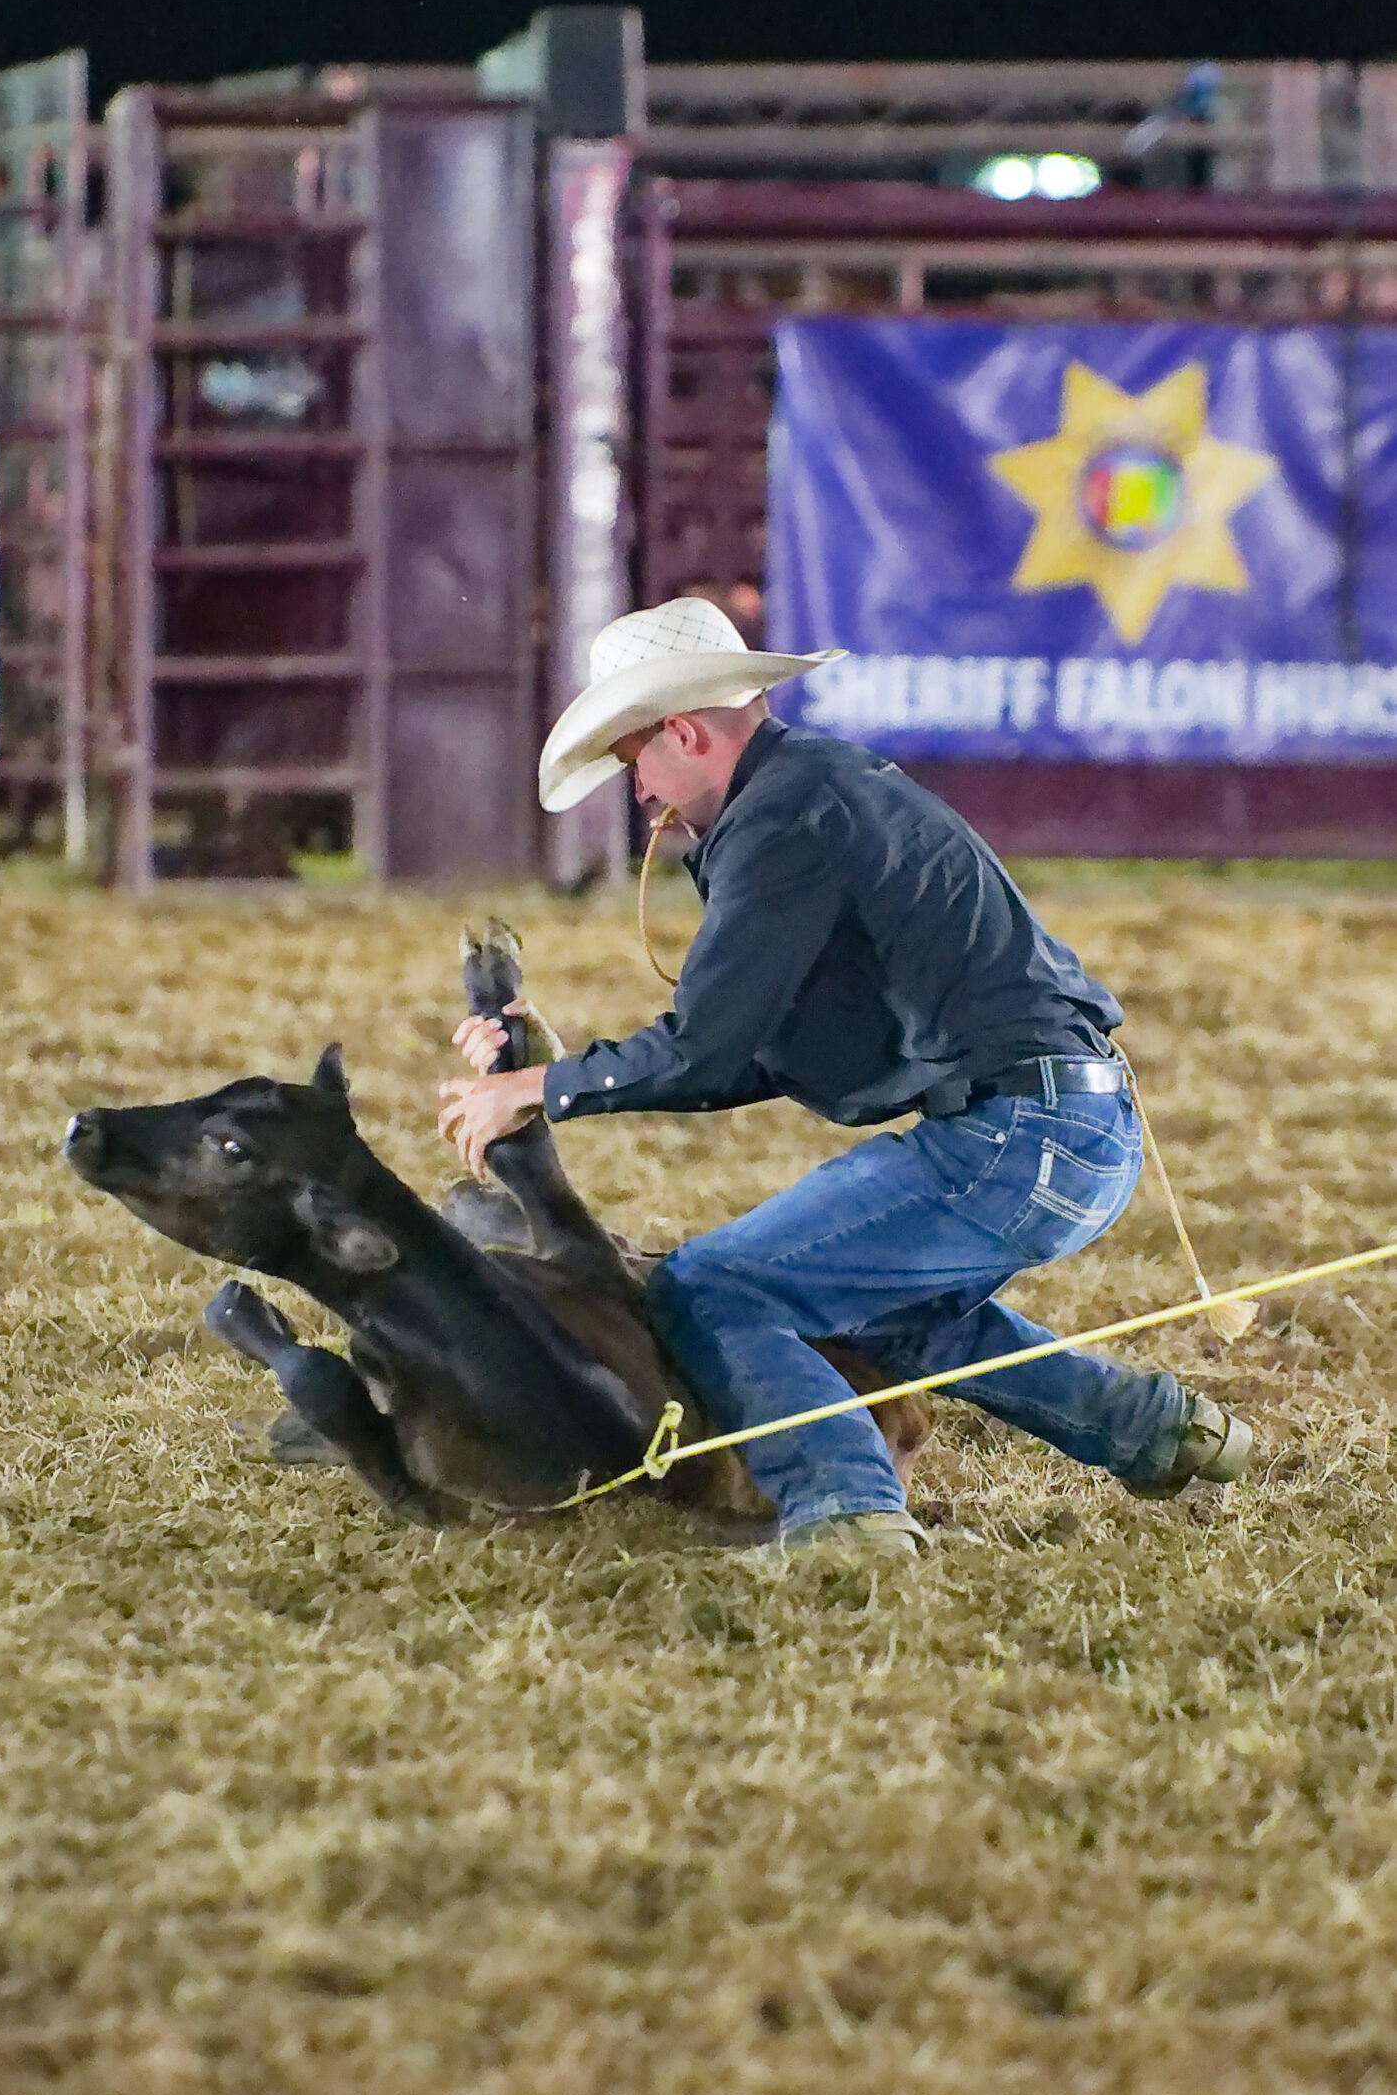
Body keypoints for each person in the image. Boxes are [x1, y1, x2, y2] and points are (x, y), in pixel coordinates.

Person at [439, 598, 1252, 1574]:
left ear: (685, 733)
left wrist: (550, 1084)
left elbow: (708, 1048)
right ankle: (1155, 1432)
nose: (641, 792)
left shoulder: (780, 820)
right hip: (1068, 1129)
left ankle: (847, 1520)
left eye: (632, 759)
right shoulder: (813, 794)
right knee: (878, 1307)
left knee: (712, 1286)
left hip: (1017, 1134)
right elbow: (765, 1051)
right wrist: (563, 1076)